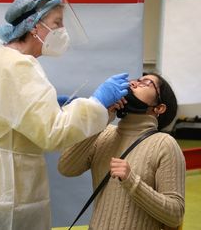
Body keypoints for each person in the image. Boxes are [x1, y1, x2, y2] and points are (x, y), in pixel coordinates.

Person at [0, 0, 130, 230]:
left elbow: (8, 111)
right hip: (3, 191)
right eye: (57, 23)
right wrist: (97, 103)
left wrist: (51, 108)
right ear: (34, 25)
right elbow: (53, 133)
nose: (62, 31)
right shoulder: (20, 66)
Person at [58, 73, 186, 230]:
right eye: (136, 80)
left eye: (146, 83)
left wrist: (131, 181)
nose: (133, 84)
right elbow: (66, 168)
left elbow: (176, 215)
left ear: (159, 108)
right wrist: (102, 118)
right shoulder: (105, 133)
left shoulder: (164, 144)